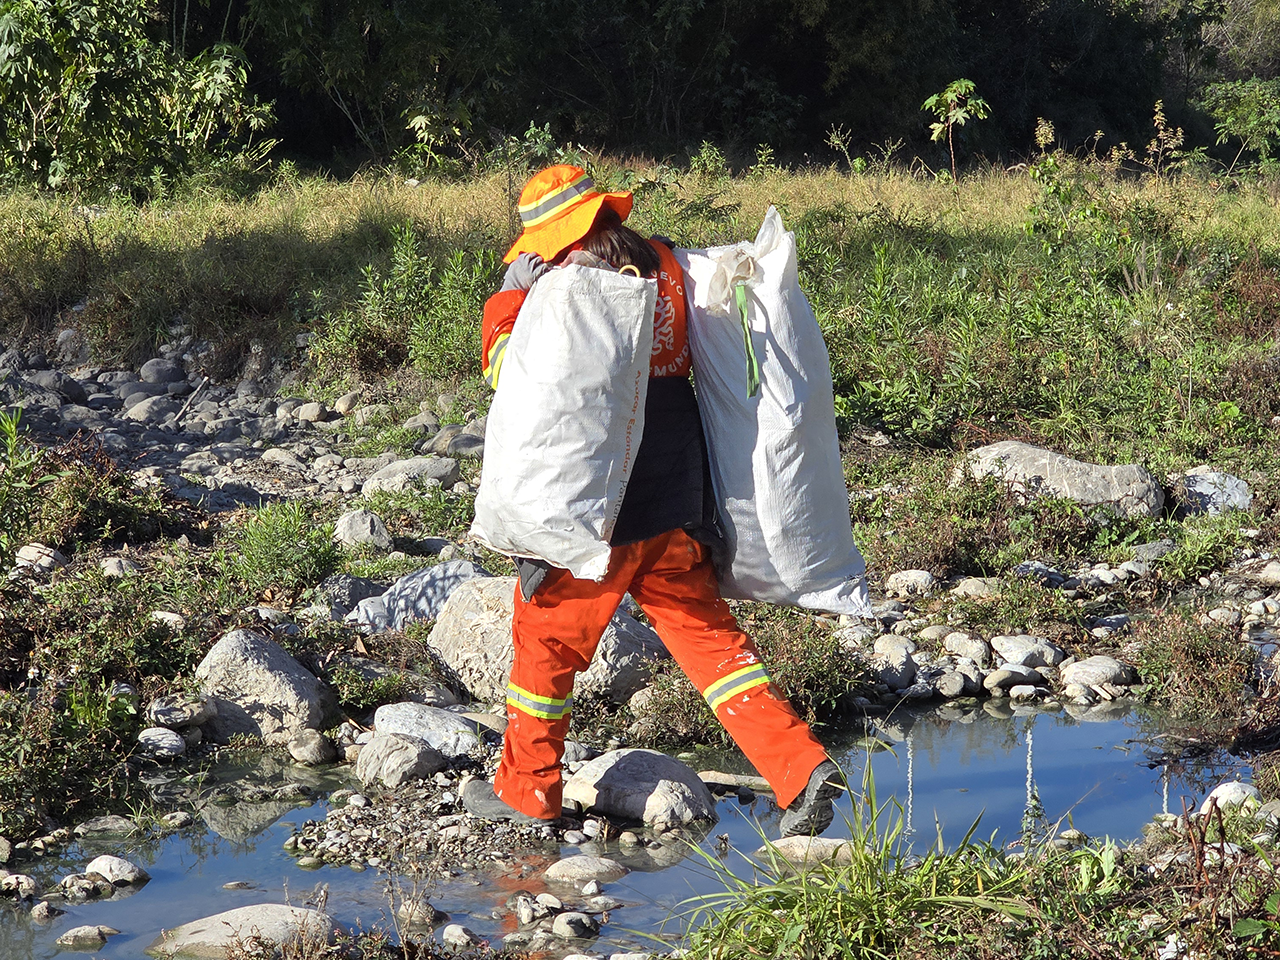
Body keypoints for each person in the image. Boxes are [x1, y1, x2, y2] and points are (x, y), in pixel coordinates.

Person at [462, 164, 844, 837]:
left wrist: (506, 302)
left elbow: (509, 375)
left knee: (545, 643)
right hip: (678, 495)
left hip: (602, 506)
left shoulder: (566, 286)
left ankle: (526, 795)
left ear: (556, 238)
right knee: (710, 644)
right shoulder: (666, 261)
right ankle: (799, 768)